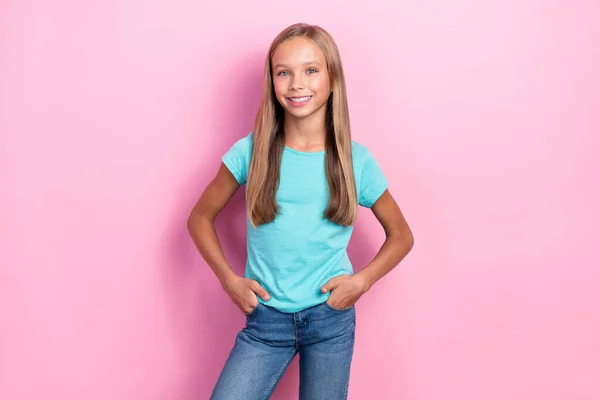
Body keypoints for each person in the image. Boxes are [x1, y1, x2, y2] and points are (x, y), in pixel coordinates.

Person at [187, 22, 414, 400]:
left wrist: (362, 281)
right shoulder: (251, 152)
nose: (296, 84)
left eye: (311, 70)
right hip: (265, 322)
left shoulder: (355, 161)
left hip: (330, 319)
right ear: (272, 80)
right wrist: (229, 279)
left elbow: (402, 235)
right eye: (283, 72)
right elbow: (199, 217)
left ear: (332, 79)